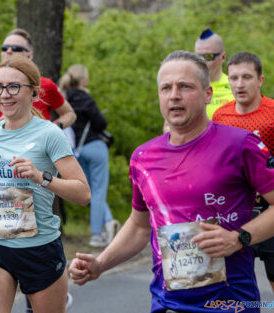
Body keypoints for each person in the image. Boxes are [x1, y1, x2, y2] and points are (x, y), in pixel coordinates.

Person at [69, 50, 274, 313]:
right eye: (166, 88)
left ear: (207, 94)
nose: (174, 95)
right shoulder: (143, 157)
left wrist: (239, 238)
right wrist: (100, 263)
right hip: (168, 304)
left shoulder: (240, 144)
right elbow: (140, 225)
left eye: (185, 86)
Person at [0, 56, 90, 313]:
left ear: (33, 93)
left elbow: (83, 193)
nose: (4, 95)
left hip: (38, 249)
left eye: (13, 87)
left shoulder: (49, 134)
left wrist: (41, 177)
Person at [213, 52, 274, 292]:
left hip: (269, 211)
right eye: (234, 77)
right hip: (235, 212)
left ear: (260, 80)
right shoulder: (221, 116)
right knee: (234, 284)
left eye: (247, 77)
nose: (239, 84)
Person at [0, 28, 76, 140]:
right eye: (4, 48)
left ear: (29, 56)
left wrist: (50, 129)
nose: (9, 51)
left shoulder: (45, 85)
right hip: (5, 151)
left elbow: (69, 114)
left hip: (39, 151)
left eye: (16, 48)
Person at [59, 64, 119, 248]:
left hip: (75, 150)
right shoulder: (85, 98)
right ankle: (96, 235)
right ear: (83, 80)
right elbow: (100, 123)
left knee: (91, 191)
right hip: (95, 146)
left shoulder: (63, 99)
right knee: (99, 190)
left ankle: (109, 223)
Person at [194, 28, 234, 119]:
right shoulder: (187, 85)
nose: (202, 61)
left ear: (223, 57)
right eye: (198, 56)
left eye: (208, 56)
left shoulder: (235, 86)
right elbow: (169, 125)